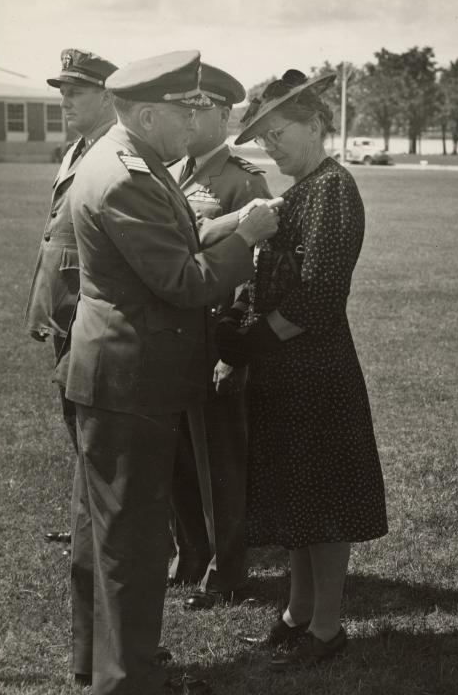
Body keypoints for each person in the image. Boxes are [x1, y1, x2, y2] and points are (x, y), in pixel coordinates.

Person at [59, 50, 280, 694]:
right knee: (131, 536)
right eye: (184, 112)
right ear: (149, 114)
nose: (195, 124)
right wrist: (249, 238)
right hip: (134, 375)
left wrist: (228, 223)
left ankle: (96, 661)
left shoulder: (130, 161)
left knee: (99, 531)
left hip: (114, 368)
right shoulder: (130, 175)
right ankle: (127, 679)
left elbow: (174, 240)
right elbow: (184, 281)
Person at [216, 69, 388, 670]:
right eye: (261, 139)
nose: (269, 148)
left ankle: (327, 628)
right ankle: (296, 613)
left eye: (277, 134)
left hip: (315, 367)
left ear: (315, 125)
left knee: (325, 499)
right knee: (298, 496)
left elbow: (318, 296)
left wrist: (247, 344)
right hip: (284, 368)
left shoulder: (333, 188)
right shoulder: (300, 189)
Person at [166, 64, 273, 607]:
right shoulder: (168, 170)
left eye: (200, 107)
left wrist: (235, 351)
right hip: (173, 336)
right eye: (183, 105)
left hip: (215, 336)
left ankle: (227, 572)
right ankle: (190, 557)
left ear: (226, 115)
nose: (188, 116)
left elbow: (255, 273)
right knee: (180, 456)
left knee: (220, 462)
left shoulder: (244, 180)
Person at [23, 48, 117, 545]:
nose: (65, 101)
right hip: (64, 305)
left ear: (107, 96)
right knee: (75, 419)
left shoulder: (111, 150)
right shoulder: (80, 147)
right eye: (62, 92)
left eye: (75, 92)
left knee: (95, 426)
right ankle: (90, 520)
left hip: (90, 307)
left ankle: (109, 528)